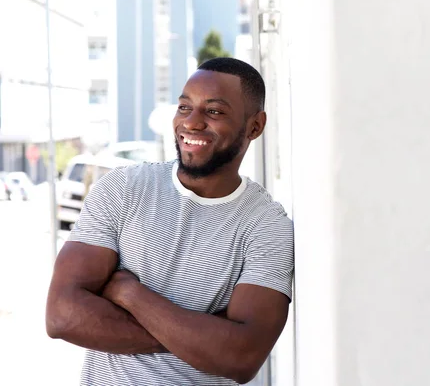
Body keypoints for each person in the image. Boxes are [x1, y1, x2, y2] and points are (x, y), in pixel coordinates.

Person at [46, 58, 294, 386]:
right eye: (184, 107)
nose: (191, 123)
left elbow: (241, 358)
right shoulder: (122, 189)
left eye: (214, 111)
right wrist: (203, 335)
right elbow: (61, 316)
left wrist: (130, 293)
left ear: (254, 126)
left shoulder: (267, 225)